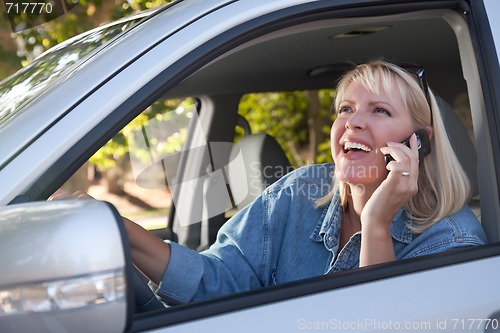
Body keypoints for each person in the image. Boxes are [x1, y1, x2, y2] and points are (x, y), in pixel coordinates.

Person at [50, 60, 487, 305]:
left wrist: (375, 223)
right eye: (344, 110)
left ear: (420, 143)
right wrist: (115, 226)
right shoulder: (298, 192)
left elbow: (375, 320)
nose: (353, 124)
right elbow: (215, 281)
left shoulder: (454, 242)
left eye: (379, 111)